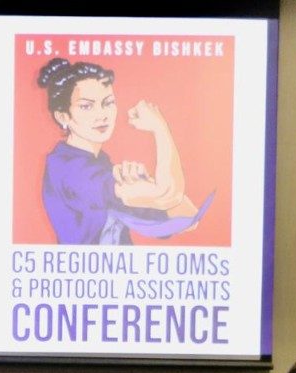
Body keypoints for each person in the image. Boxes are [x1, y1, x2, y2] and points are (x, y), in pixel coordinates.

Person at [36, 57, 210, 245]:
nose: (102, 114)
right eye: (86, 106)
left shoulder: (102, 165)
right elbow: (167, 195)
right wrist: (160, 129)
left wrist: (148, 184)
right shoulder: (67, 168)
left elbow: (189, 219)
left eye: (108, 103)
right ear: (63, 116)